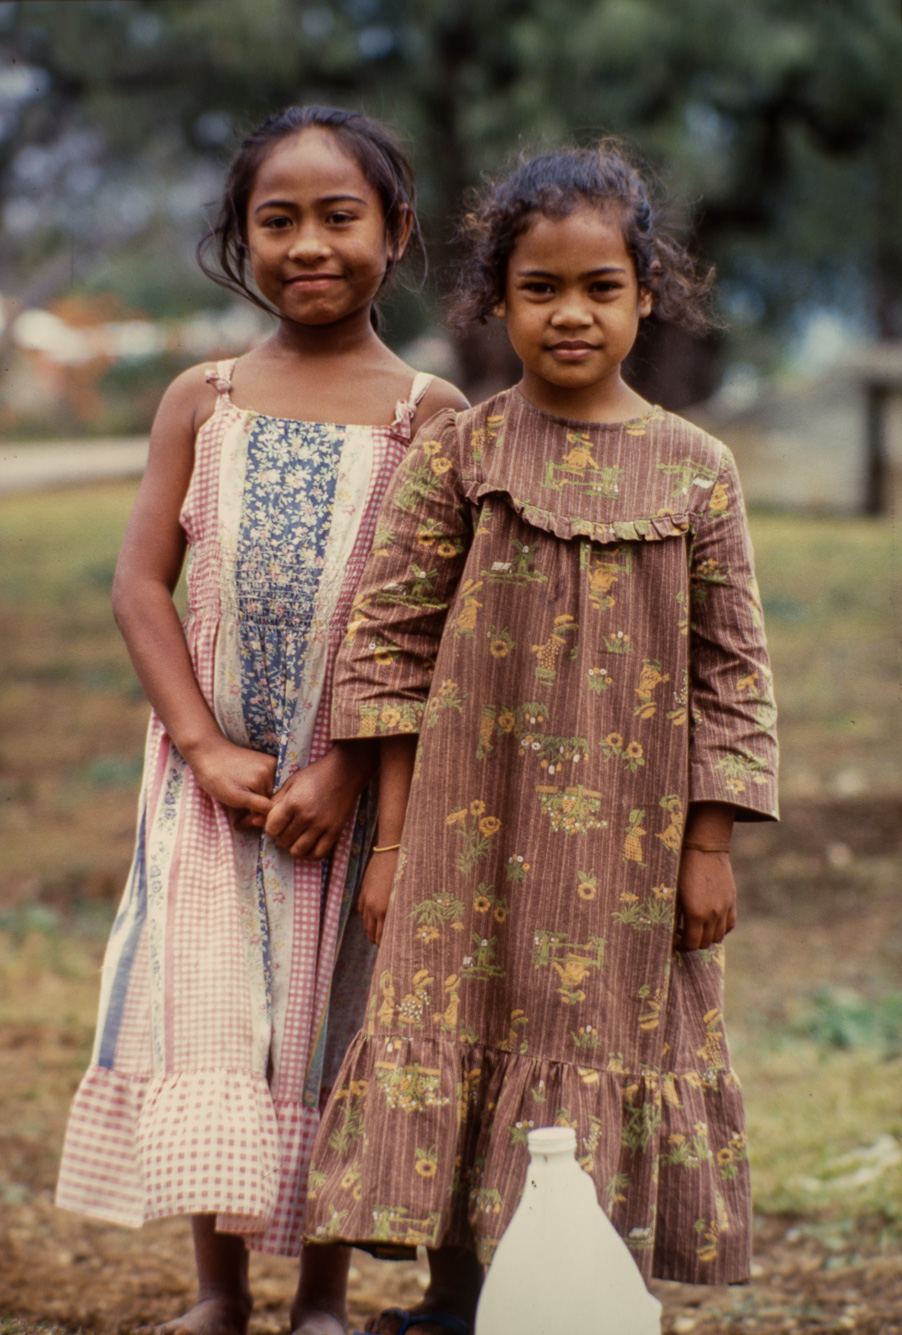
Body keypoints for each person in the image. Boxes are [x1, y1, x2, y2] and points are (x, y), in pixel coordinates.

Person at [304, 141, 779, 1335]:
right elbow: (387, 643)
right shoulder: (462, 451)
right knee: (462, 1029)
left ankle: (572, 1301)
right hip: (467, 832)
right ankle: (453, 1300)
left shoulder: (697, 471)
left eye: (599, 288)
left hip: (631, 851)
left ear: (645, 295)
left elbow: (732, 672)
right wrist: (394, 844)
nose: (570, 314)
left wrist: (707, 843)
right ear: (494, 301)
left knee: (599, 1036)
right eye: (539, 289)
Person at [55, 104, 468, 1335]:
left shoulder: (428, 416)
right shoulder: (204, 396)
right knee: (213, 1015)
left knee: (331, 1022)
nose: (307, 244)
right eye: (273, 219)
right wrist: (201, 745)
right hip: (207, 782)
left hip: (351, 791)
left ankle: (323, 1298)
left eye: (339, 216)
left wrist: (343, 766)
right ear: (238, 238)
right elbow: (139, 585)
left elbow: (428, 627)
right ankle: (217, 1292)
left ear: (394, 233)